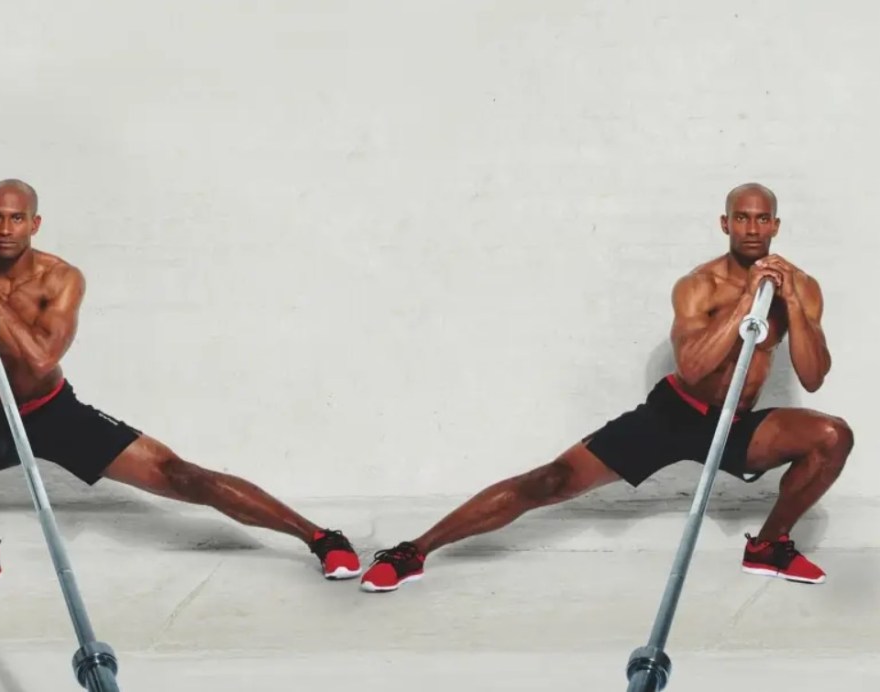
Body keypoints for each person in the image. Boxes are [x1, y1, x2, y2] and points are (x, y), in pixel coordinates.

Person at [361, 182, 853, 592]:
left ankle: (768, 545)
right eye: (742, 219)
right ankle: (415, 550)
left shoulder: (801, 286)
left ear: (776, 225)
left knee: (832, 436)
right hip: (674, 415)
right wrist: (749, 300)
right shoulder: (699, 285)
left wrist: (792, 305)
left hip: (735, 425)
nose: (753, 229)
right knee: (550, 481)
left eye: (762, 219)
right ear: (725, 224)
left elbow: (812, 376)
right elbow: (694, 366)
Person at [0, 179, 361, 594]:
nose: (6, 229)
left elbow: (42, 357)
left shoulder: (61, 278)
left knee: (182, 476)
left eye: (17, 218)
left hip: (55, 413)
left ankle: (320, 538)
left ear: (36, 223)